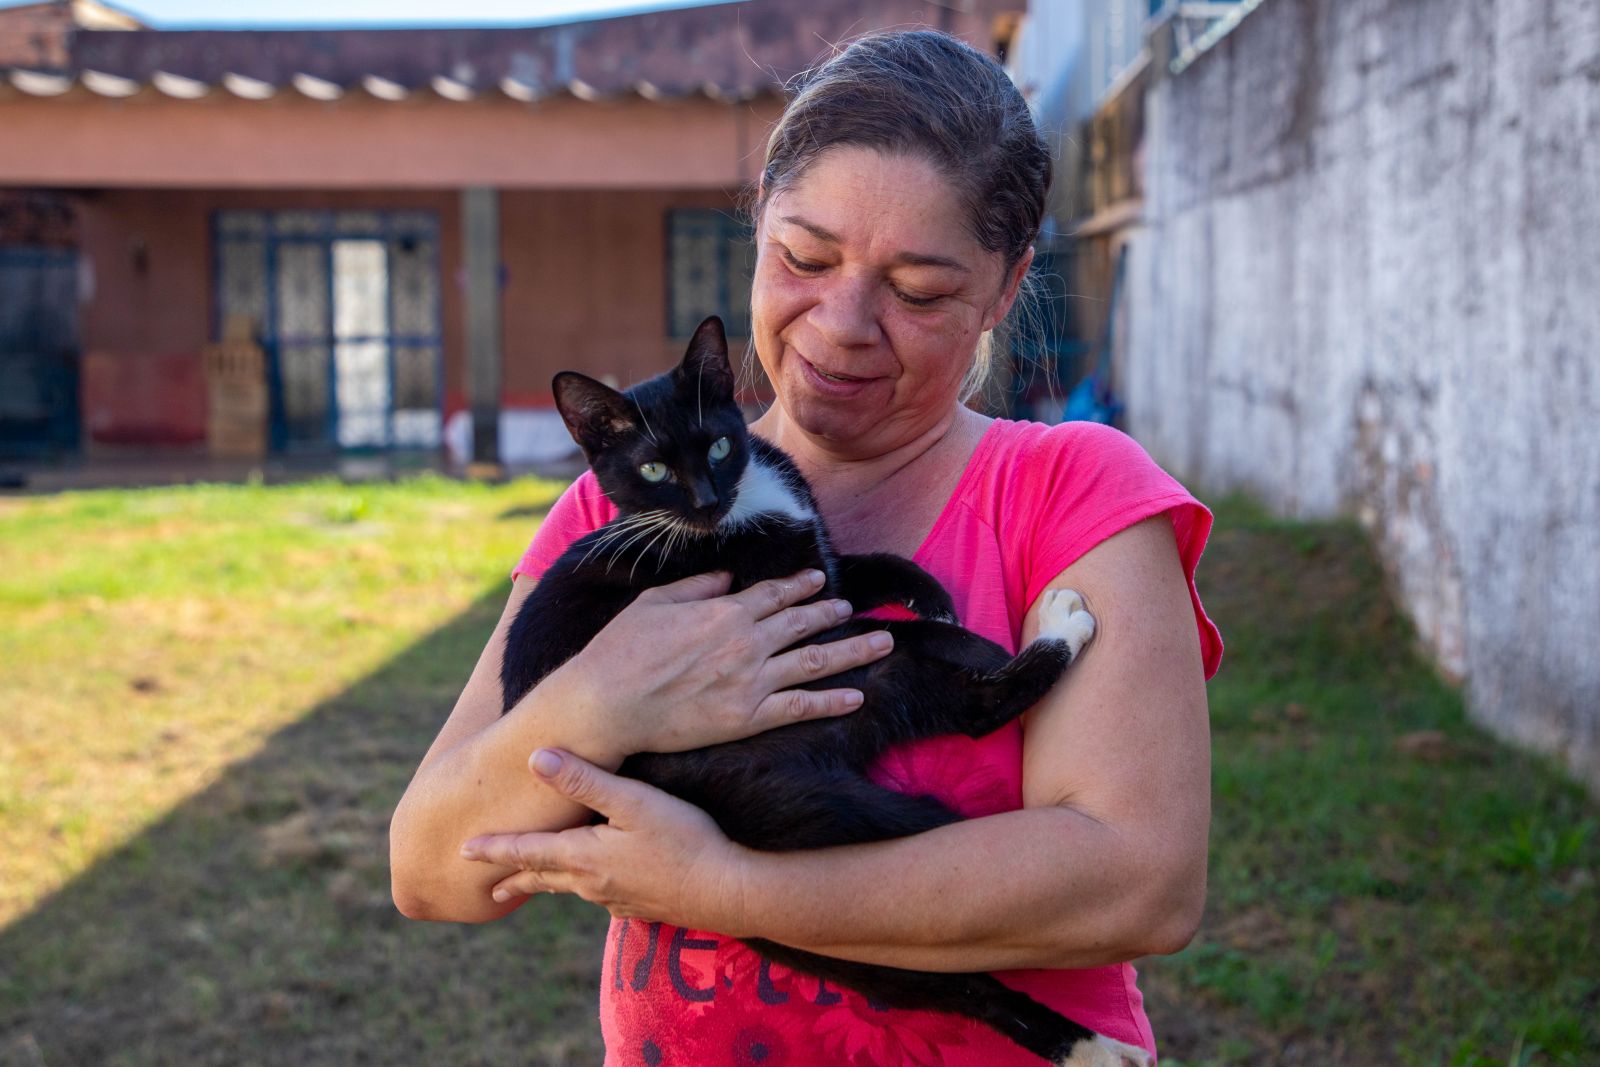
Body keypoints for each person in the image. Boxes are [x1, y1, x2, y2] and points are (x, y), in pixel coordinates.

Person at [390, 29, 1222, 1066]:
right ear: (756, 227)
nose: (841, 324)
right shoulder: (616, 523)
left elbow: (1140, 882)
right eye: (804, 256)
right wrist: (604, 696)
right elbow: (432, 867)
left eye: (917, 290)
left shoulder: (1068, 489)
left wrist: (723, 889)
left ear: (1004, 290)